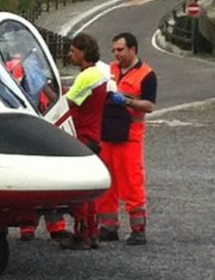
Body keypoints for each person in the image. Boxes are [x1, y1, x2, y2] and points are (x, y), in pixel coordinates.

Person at [96, 31, 157, 246]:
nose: (116, 54)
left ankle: (138, 229)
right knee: (107, 183)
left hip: (129, 137)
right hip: (107, 133)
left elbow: (149, 105)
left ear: (133, 49)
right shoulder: (109, 70)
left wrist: (127, 102)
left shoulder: (146, 75)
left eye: (120, 50)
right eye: (114, 50)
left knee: (131, 183)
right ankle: (108, 226)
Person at [58, 32, 108, 250]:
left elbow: (66, 103)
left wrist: (48, 89)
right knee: (89, 190)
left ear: (83, 51)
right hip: (94, 134)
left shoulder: (86, 76)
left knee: (80, 192)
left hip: (81, 136)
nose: (70, 55)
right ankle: (92, 232)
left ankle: (81, 234)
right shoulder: (99, 73)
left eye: (73, 51)